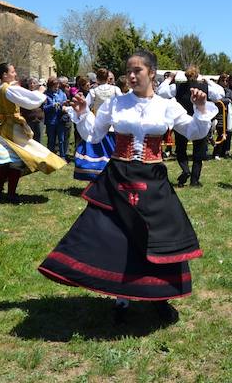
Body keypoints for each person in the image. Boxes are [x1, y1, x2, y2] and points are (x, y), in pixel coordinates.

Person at [38, 50, 216, 324]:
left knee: (157, 236)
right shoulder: (116, 103)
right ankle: (121, 298)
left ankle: (160, 295)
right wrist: (83, 113)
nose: (131, 76)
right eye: (128, 71)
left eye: (138, 71)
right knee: (117, 235)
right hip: (118, 175)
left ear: (152, 73)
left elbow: (194, 132)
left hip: (153, 177)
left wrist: (201, 109)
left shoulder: (167, 105)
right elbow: (93, 136)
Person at [0, 63, 66, 202]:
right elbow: (31, 101)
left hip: (2, 126)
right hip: (13, 128)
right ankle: (10, 193)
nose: (15, 74)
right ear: (5, 75)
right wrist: (40, 91)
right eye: (13, 71)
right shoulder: (10, 90)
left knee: (6, 159)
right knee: (17, 158)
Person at [158, 66, 225, 186]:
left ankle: (185, 170)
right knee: (198, 152)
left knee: (181, 149)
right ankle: (195, 180)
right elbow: (220, 94)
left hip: (182, 122)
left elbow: (161, 92)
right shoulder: (206, 87)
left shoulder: (177, 87)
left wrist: (169, 79)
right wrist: (208, 80)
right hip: (200, 121)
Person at [72, 68, 121, 181]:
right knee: (112, 150)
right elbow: (122, 103)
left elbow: (86, 105)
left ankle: (99, 173)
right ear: (108, 77)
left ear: (97, 79)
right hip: (113, 124)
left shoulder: (94, 91)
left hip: (99, 123)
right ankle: (113, 174)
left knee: (99, 151)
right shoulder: (115, 89)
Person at [43, 77, 69, 159]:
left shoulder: (62, 94)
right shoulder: (45, 95)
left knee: (61, 140)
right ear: (50, 86)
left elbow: (65, 105)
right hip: (51, 121)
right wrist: (53, 105)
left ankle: (62, 157)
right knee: (51, 140)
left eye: (57, 86)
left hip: (60, 120)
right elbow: (44, 108)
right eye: (55, 86)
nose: (56, 88)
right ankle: (50, 157)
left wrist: (64, 105)